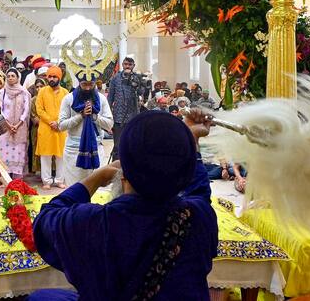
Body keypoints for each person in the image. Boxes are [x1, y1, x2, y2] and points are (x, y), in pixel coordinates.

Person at [31, 109, 218, 301]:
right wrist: (190, 140)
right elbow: (200, 192)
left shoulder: (95, 224)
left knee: (39, 297)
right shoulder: (199, 217)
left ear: (123, 172)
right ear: (185, 172)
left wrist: (94, 179)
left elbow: (45, 221)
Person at [58, 76, 113, 186]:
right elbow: (61, 126)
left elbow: (109, 124)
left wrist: (94, 116)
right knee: (75, 189)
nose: (88, 88)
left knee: (97, 190)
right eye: (84, 84)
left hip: (96, 149)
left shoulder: (101, 99)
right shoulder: (69, 99)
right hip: (73, 150)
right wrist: (80, 116)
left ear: (95, 83)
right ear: (79, 83)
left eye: (90, 84)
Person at [35, 66, 69, 189]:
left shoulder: (65, 93)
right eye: (50, 76)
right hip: (46, 128)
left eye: (54, 76)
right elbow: (39, 109)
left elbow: (68, 110)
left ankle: (60, 180)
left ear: (59, 78)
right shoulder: (42, 91)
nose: (52, 79)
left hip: (61, 128)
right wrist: (51, 122)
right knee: (46, 156)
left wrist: (59, 122)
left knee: (61, 156)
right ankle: (47, 181)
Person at [0, 68, 31, 180]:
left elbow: (26, 110)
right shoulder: (2, 92)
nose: (10, 78)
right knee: (5, 155)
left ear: (18, 78)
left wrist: (17, 125)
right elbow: (0, 109)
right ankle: (6, 180)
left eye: (13, 76)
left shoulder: (24, 92)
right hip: (5, 128)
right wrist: (8, 124)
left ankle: (17, 181)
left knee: (18, 155)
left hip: (20, 128)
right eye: (8, 76)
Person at [107, 57, 140, 161]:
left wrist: (136, 84)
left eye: (130, 65)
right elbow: (110, 97)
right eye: (125, 64)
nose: (127, 66)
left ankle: (130, 167)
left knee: (132, 144)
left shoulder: (137, 78)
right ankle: (115, 168)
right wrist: (108, 116)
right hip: (118, 117)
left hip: (133, 116)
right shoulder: (115, 78)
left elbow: (142, 93)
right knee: (117, 145)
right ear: (122, 64)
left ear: (133, 66)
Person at [28, 78, 47, 175]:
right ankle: (39, 171)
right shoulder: (33, 100)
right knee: (37, 149)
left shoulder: (49, 98)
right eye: (37, 87)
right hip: (37, 129)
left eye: (41, 86)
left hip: (49, 129)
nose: (39, 88)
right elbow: (34, 118)